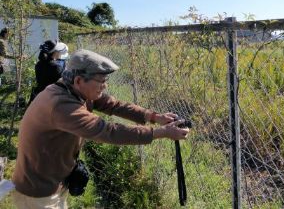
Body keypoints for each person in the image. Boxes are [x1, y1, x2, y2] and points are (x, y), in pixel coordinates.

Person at [12, 49, 190, 208]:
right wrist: (162, 133)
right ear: (79, 80)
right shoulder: (61, 105)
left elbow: (114, 105)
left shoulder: (74, 89)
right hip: (38, 190)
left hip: (53, 178)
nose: (105, 86)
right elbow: (108, 131)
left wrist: (154, 117)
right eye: (102, 81)